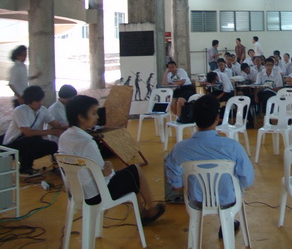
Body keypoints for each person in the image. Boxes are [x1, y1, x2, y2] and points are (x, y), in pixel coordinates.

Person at [59, 95, 165, 224]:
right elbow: (105, 173)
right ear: (81, 117)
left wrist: (106, 169)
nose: (97, 117)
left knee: (130, 176)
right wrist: (109, 168)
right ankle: (150, 207)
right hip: (95, 195)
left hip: (76, 194)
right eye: (93, 113)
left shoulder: (64, 137)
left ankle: (143, 212)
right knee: (135, 171)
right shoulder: (87, 142)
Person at [165, 95, 254, 228]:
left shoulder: (180, 148)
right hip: (228, 200)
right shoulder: (233, 147)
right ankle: (227, 223)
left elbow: (176, 186)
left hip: (196, 201)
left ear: (194, 119)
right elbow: (247, 180)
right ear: (217, 119)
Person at [4, 86, 67, 176]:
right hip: (12, 144)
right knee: (35, 139)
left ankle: (26, 163)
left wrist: (72, 126)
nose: (40, 103)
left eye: (40, 100)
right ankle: (25, 168)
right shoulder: (20, 110)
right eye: (37, 101)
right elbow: (27, 133)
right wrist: (50, 132)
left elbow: (57, 125)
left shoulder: (42, 110)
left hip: (29, 142)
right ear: (29, 101)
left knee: (52, 146)